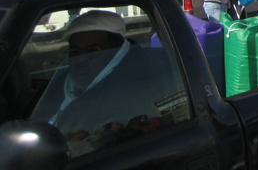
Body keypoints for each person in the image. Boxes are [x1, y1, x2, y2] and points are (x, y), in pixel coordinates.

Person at [30, 11, 185, 156]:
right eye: (75, 52)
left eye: (93, 51)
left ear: (117, 51)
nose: (82, 59)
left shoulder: (137, 87)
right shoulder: (60, 81)